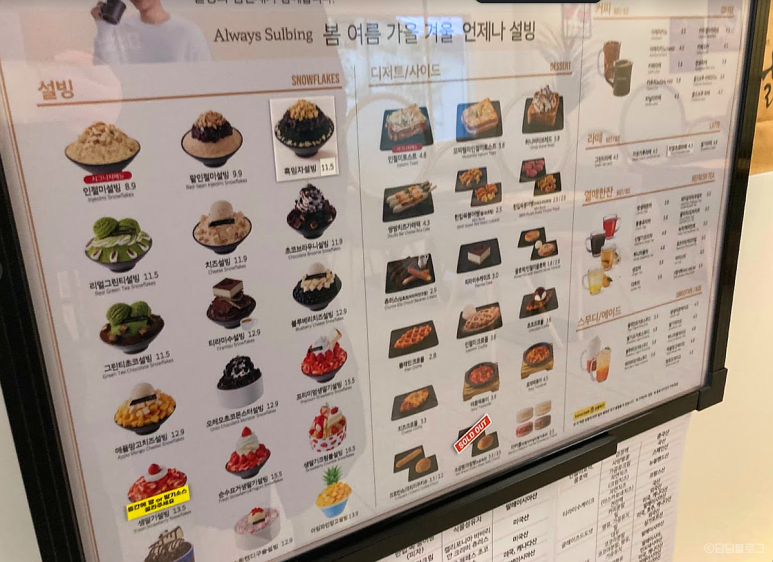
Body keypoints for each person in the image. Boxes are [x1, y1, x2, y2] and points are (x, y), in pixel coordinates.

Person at [91, 0, 212, 65]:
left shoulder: (189, 32)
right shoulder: (118, 30)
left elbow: (207, 81)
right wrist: (104, 28)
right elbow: (107, 78)